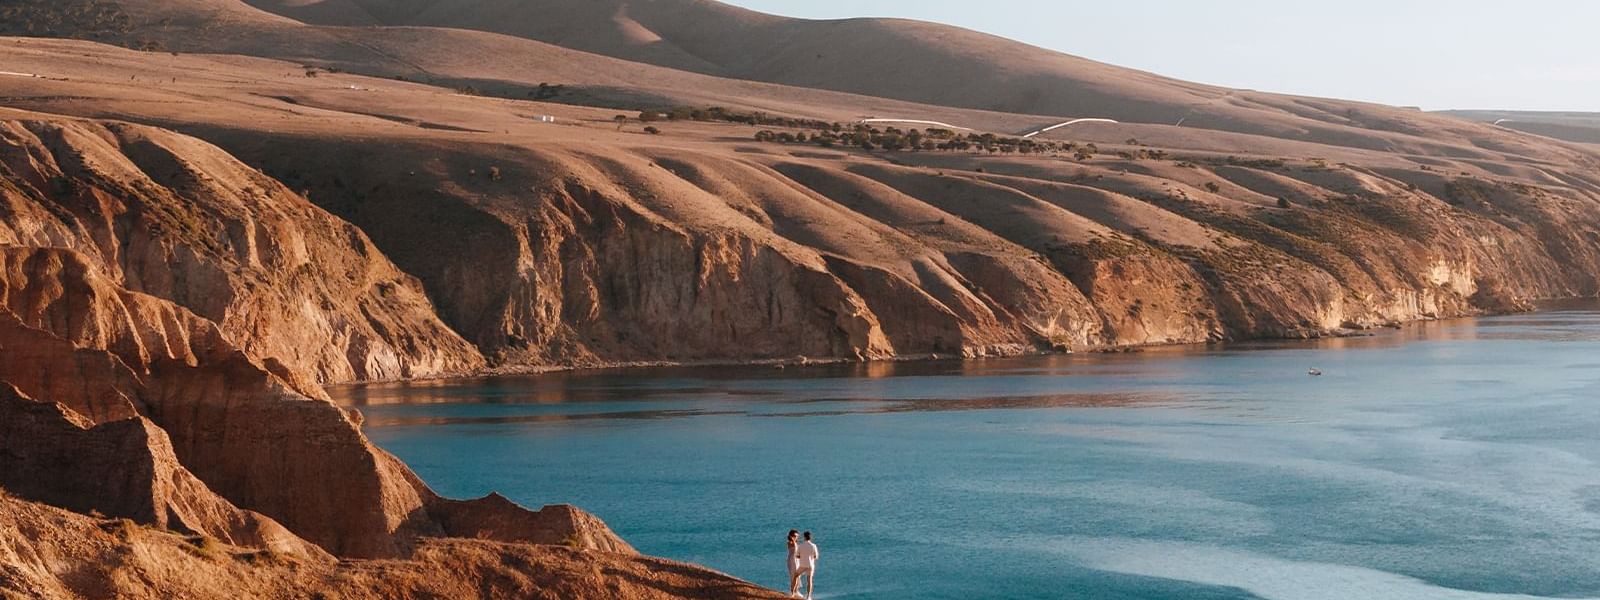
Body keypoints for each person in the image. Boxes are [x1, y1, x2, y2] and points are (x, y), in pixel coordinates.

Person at [794, 531, 819, 600]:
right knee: (809, 581)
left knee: (795, 576)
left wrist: (802, 557)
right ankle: (808, 597)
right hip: (810, 565)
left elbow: (797, 556)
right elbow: (816, 557)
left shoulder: (800, 546)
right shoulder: (813, 546)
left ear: (804, 537)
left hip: (802, 564)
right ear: (810, 537)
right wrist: (810, 558)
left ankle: (794, 592)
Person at [786, 530, 801, 597]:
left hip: (797, 560)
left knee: (798, 576)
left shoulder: (795, 542)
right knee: (794, 576)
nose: (796, 537)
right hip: (792, 561)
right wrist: (793, 540)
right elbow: (793, 547)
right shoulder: (790, 542)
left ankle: (796, 591)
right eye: (795, 536)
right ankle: (792, 592)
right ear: (791, 536)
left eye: (797, 536)